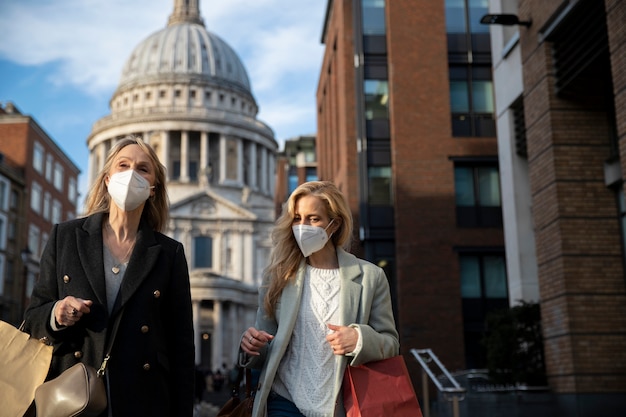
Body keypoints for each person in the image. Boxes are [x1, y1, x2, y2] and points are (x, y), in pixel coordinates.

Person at [23, 136, 195, 417]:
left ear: (153, 188)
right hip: (73, 397)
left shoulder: (169, 253)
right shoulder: (65, 237)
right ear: (106, 179)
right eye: (123, 165)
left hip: (142, 400)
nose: (130, 175)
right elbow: (32, 318)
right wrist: (57, 313)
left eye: (143, 169)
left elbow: (182, 349)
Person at [239, 181, 400, 417]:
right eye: (297, 218)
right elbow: (265, 350)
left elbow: (391, 343)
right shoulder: (278, 276)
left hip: (342, 406)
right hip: (284, 401)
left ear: (334, 224)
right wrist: (252, 346)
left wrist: (358, 339)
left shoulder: (370, 277)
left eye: (313, 219)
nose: (302, 226)